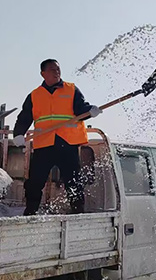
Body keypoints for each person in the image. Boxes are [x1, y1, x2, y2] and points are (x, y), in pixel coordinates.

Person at [11, 59, 102, 215]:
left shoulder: (71, 89)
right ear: (43, 73)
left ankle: (77, 211)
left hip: (67, 144)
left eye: (58, 69)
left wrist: (90, 111)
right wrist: (18, 134)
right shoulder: (35, 95)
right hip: (44, 145)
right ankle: (30, 211)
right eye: (52, 69)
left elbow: (81, 109)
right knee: (35, 182)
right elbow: (25, 117)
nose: (56, 72)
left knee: (73, 181)